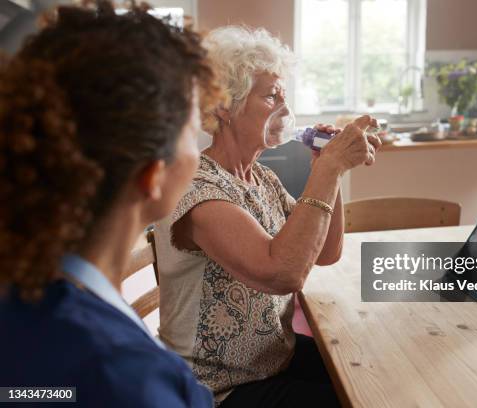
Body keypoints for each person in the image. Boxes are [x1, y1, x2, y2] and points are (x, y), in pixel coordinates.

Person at [0, 2, 221, 406]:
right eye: (193, 131)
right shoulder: (127, 379)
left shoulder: (24, 287)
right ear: (152, 176)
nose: (200, 146)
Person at [154, 26, 381, 407]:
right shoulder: (196, 188)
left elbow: (324, 252)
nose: (286, 111)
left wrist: (329, 169)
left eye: (284, 96)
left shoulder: (260, 177)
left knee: (371, 371)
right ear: (224, 105)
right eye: (271, 96)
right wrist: (327, 171)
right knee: (360, 399)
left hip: (271, 361)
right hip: (218, 388)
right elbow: (284, 273)